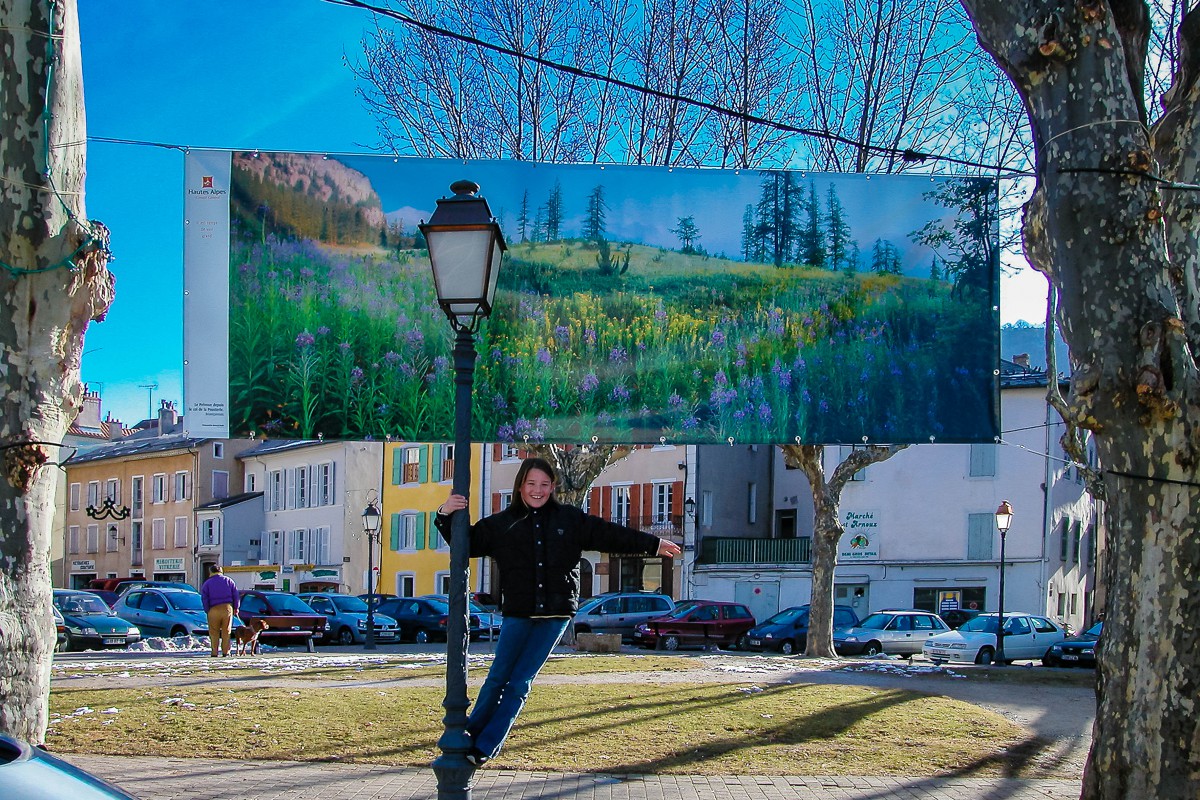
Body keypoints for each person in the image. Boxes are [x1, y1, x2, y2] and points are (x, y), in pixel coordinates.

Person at [436, 456, 682, 767]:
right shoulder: (502, 524)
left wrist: (653, 545)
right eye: (531, 484)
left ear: (552, 487)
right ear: (521, 486)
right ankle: (468, 736)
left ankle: (484, 747)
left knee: (519, 682)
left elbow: (611, 534)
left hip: (554, 616)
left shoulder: (570, 519)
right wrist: (445, 515)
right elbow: (466, 544)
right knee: (498, 678)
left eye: (543, 484)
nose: (537, 490)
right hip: (519, 613)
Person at [201, 565, 240, 657]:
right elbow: (236, 595)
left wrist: (207, 609)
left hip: (213, 608)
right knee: (226, 631)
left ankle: (214, 652)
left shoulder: (207, 583)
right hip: (227, 608)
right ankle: (226, 652)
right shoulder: (229, 581)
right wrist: (236, 608)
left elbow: (204, 598)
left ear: (211, 572)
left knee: (214, 632)